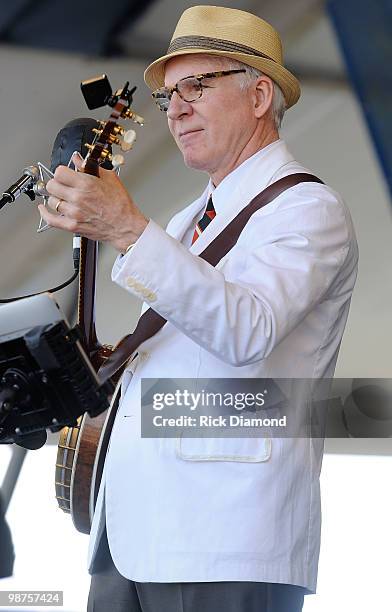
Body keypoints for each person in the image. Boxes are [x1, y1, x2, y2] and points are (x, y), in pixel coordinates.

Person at [39, 5, 358, 611]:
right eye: (168, 96)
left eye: (196, 87)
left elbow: (246, 331)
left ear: (259, 95)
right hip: (129, 531)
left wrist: (129, 229)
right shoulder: (188, 220)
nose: (177, 109)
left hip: (224, 532)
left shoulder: (307, 208)